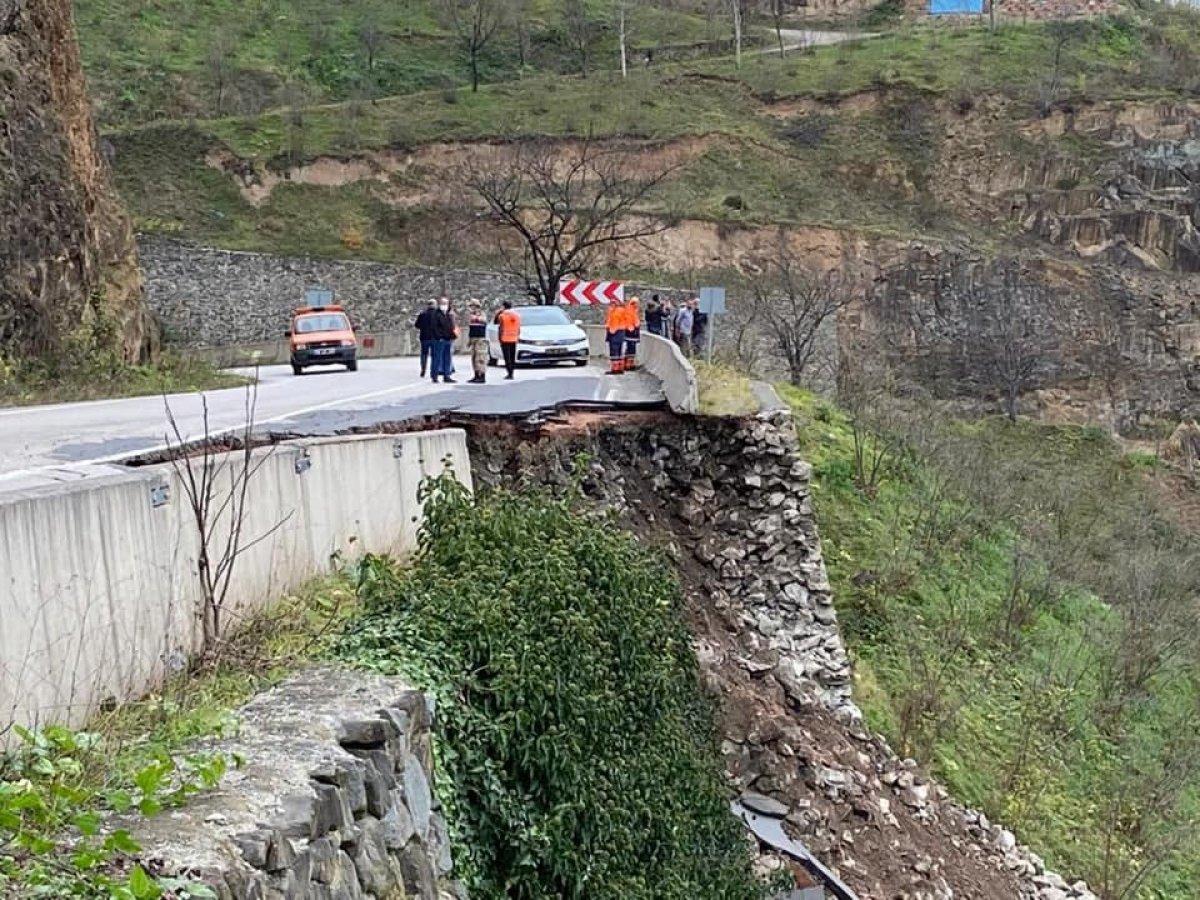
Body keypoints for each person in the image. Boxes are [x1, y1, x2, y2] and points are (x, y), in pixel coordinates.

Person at [430, 297, 456, 383]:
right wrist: (439, 337)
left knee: (447, 358)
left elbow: (450, 327)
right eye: (443, 303)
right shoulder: (436, 314)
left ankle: (447, 375)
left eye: (446, 303)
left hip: (448, 339)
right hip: (439, 340)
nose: (444, 305)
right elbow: (434, 327)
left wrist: (452, 336)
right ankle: (435, 376)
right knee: (437, 358)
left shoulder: (448, 314)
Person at [494, 300, 521, 380]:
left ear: (504, 306)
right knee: (512, 356)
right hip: (514, 337)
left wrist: (499, 312)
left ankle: (509, 373)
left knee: (507, 357)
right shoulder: (517, 315)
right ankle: (512, 372)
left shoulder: (502, 315)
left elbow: (496, 322)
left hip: (505, 337)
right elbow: (519, 327)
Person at [413, 299, 438, 378]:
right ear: (434, 305)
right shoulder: (437, 314)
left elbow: (417, 325)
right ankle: (433, 371)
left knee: (424, 354)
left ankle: (423, 369)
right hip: (434, 337)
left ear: (428, 305)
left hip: (424, 337)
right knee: (434, 355)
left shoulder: (422, 314)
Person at [466, 299, 488, 383]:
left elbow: (484, 321)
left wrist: (476, 318)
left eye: (472, 306)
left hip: (480, 339)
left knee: (480, 358)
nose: (471, 308)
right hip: (473, 339)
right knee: (474, 358)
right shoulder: (471, 315)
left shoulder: (481, 313)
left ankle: (482, 376)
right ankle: (476, 375)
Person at [605, 296, 627, 375]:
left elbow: (613, 324)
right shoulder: (622, 310)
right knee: (619, 351)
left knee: (614, 351)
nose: (610, 305)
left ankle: (615, 369)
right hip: (621, 332)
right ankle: (620, 368)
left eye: (612, 303)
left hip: (615, 333)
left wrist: (611, 331)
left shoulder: (614, 312)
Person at [624, 296, 641, 372]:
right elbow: (634, 322)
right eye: (637, 303)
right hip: (631, 332)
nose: (638, 305)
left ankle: (629, 363)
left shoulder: (631, 310)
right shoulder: (631, 311)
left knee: (630, 348)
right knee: (631, 348)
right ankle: (629, 364)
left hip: (630, 333)